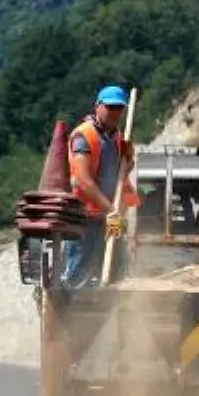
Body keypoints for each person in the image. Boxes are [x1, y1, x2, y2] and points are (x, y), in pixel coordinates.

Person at [61, 85, 139, 290]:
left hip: (108, 217)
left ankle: (109, 316)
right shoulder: (83, 136)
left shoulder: (118, 136)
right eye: (110, 107)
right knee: (79, 277)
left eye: (119, 108)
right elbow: (83, 181)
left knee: (114, 273)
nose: (115, 112)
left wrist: (128, 162)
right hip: (84, 218)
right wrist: (111, 210)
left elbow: (125, 165)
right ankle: (72, 316)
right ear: (98, 106)